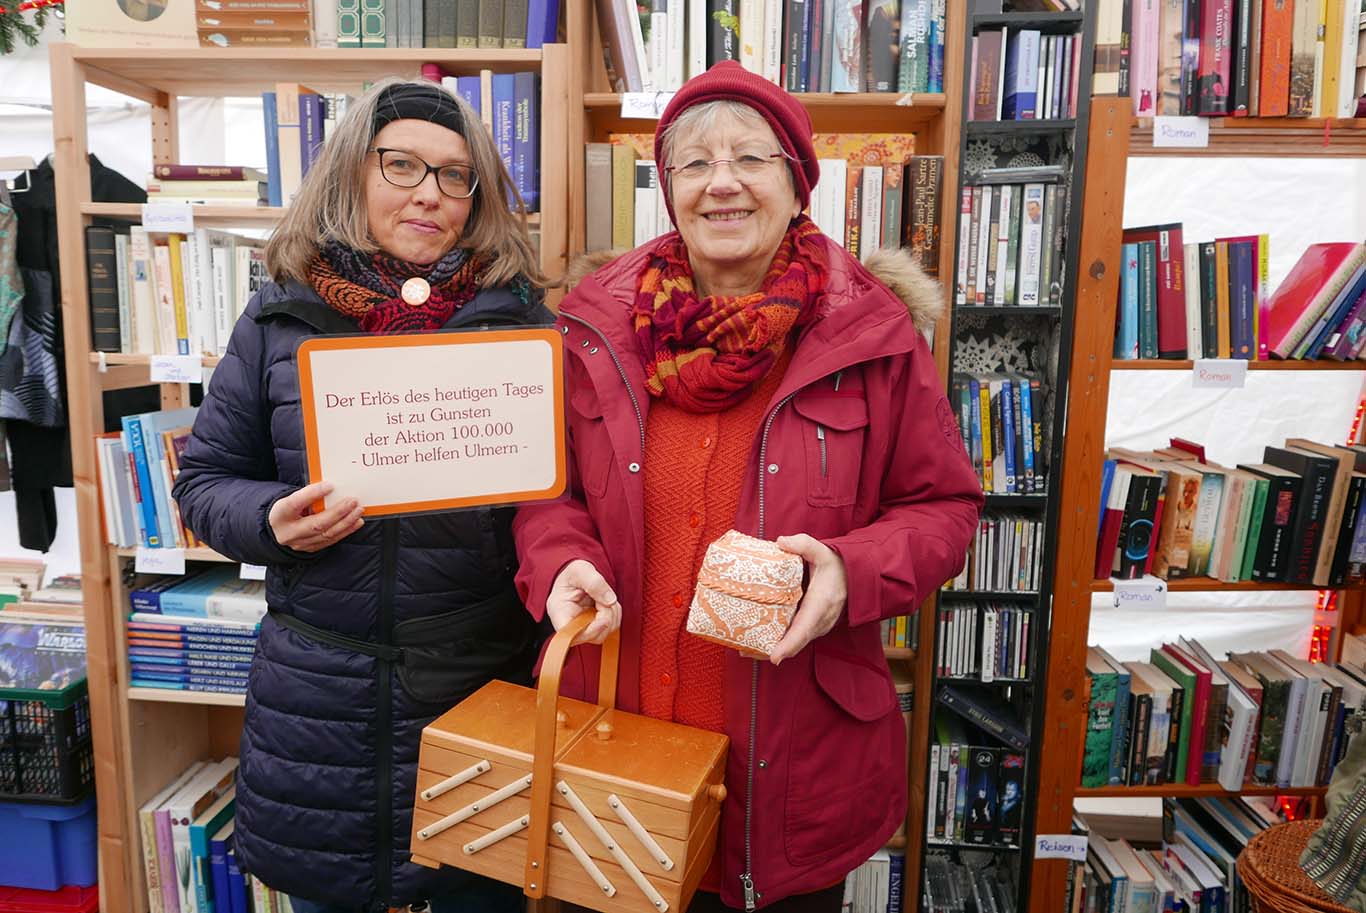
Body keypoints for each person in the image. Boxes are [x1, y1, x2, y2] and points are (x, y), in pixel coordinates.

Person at [512, 61, 983, 912]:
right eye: (694, 163)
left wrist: (851, 572)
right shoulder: (595, 326)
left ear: (798, 183)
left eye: (751, 159)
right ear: (669, 190)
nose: (721, 182)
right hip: (613, 759)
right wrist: (559, 561)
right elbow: (549, 492)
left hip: (794, 778)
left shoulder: (872, 333)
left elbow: (943, 507)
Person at [172, 79, 550, 913]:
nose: (429, 193)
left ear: (477, 197)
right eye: (402, 165)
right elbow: (202, 483)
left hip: (475, 689)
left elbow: (558, 504)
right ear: (353, 173)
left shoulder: (523, 327)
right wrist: (270, 521)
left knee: (478, 894)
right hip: (319, 699)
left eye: (455, 175)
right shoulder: (278, 318)